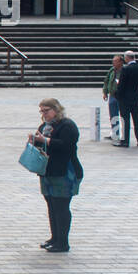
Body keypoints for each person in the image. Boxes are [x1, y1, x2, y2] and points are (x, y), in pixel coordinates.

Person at [29, 98, 82, 253]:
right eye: (42, 111)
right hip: (48, 171)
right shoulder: (45, 126)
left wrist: (45, 140)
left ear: (56, 109)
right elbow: (43, 145)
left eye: (47, 110)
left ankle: (63, 242)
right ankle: (55, 238)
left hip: (65, 171)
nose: (44, 114)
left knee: (61, 206)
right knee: (51, 205)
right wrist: (35, 142)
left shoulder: (67, 125)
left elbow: (67, 145)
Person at [115, 50, 138, 148]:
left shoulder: (125, 69)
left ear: (127, 58)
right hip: (136, 97)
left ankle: (125, 141)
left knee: (125, 120)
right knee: (137, 119)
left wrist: (117, 95)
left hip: (125, 98)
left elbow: (121, 85)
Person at [102, 54, 123, 143]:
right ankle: (115, 134)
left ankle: (123, 135)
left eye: (115, 61)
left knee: (123, 116)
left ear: (121, 62)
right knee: (113, 116)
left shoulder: (124, 71)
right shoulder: (111, 70)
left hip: (121, 96)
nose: (113, 63)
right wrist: (105, 92)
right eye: (113, 61)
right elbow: (106, 81)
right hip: (112, 96)